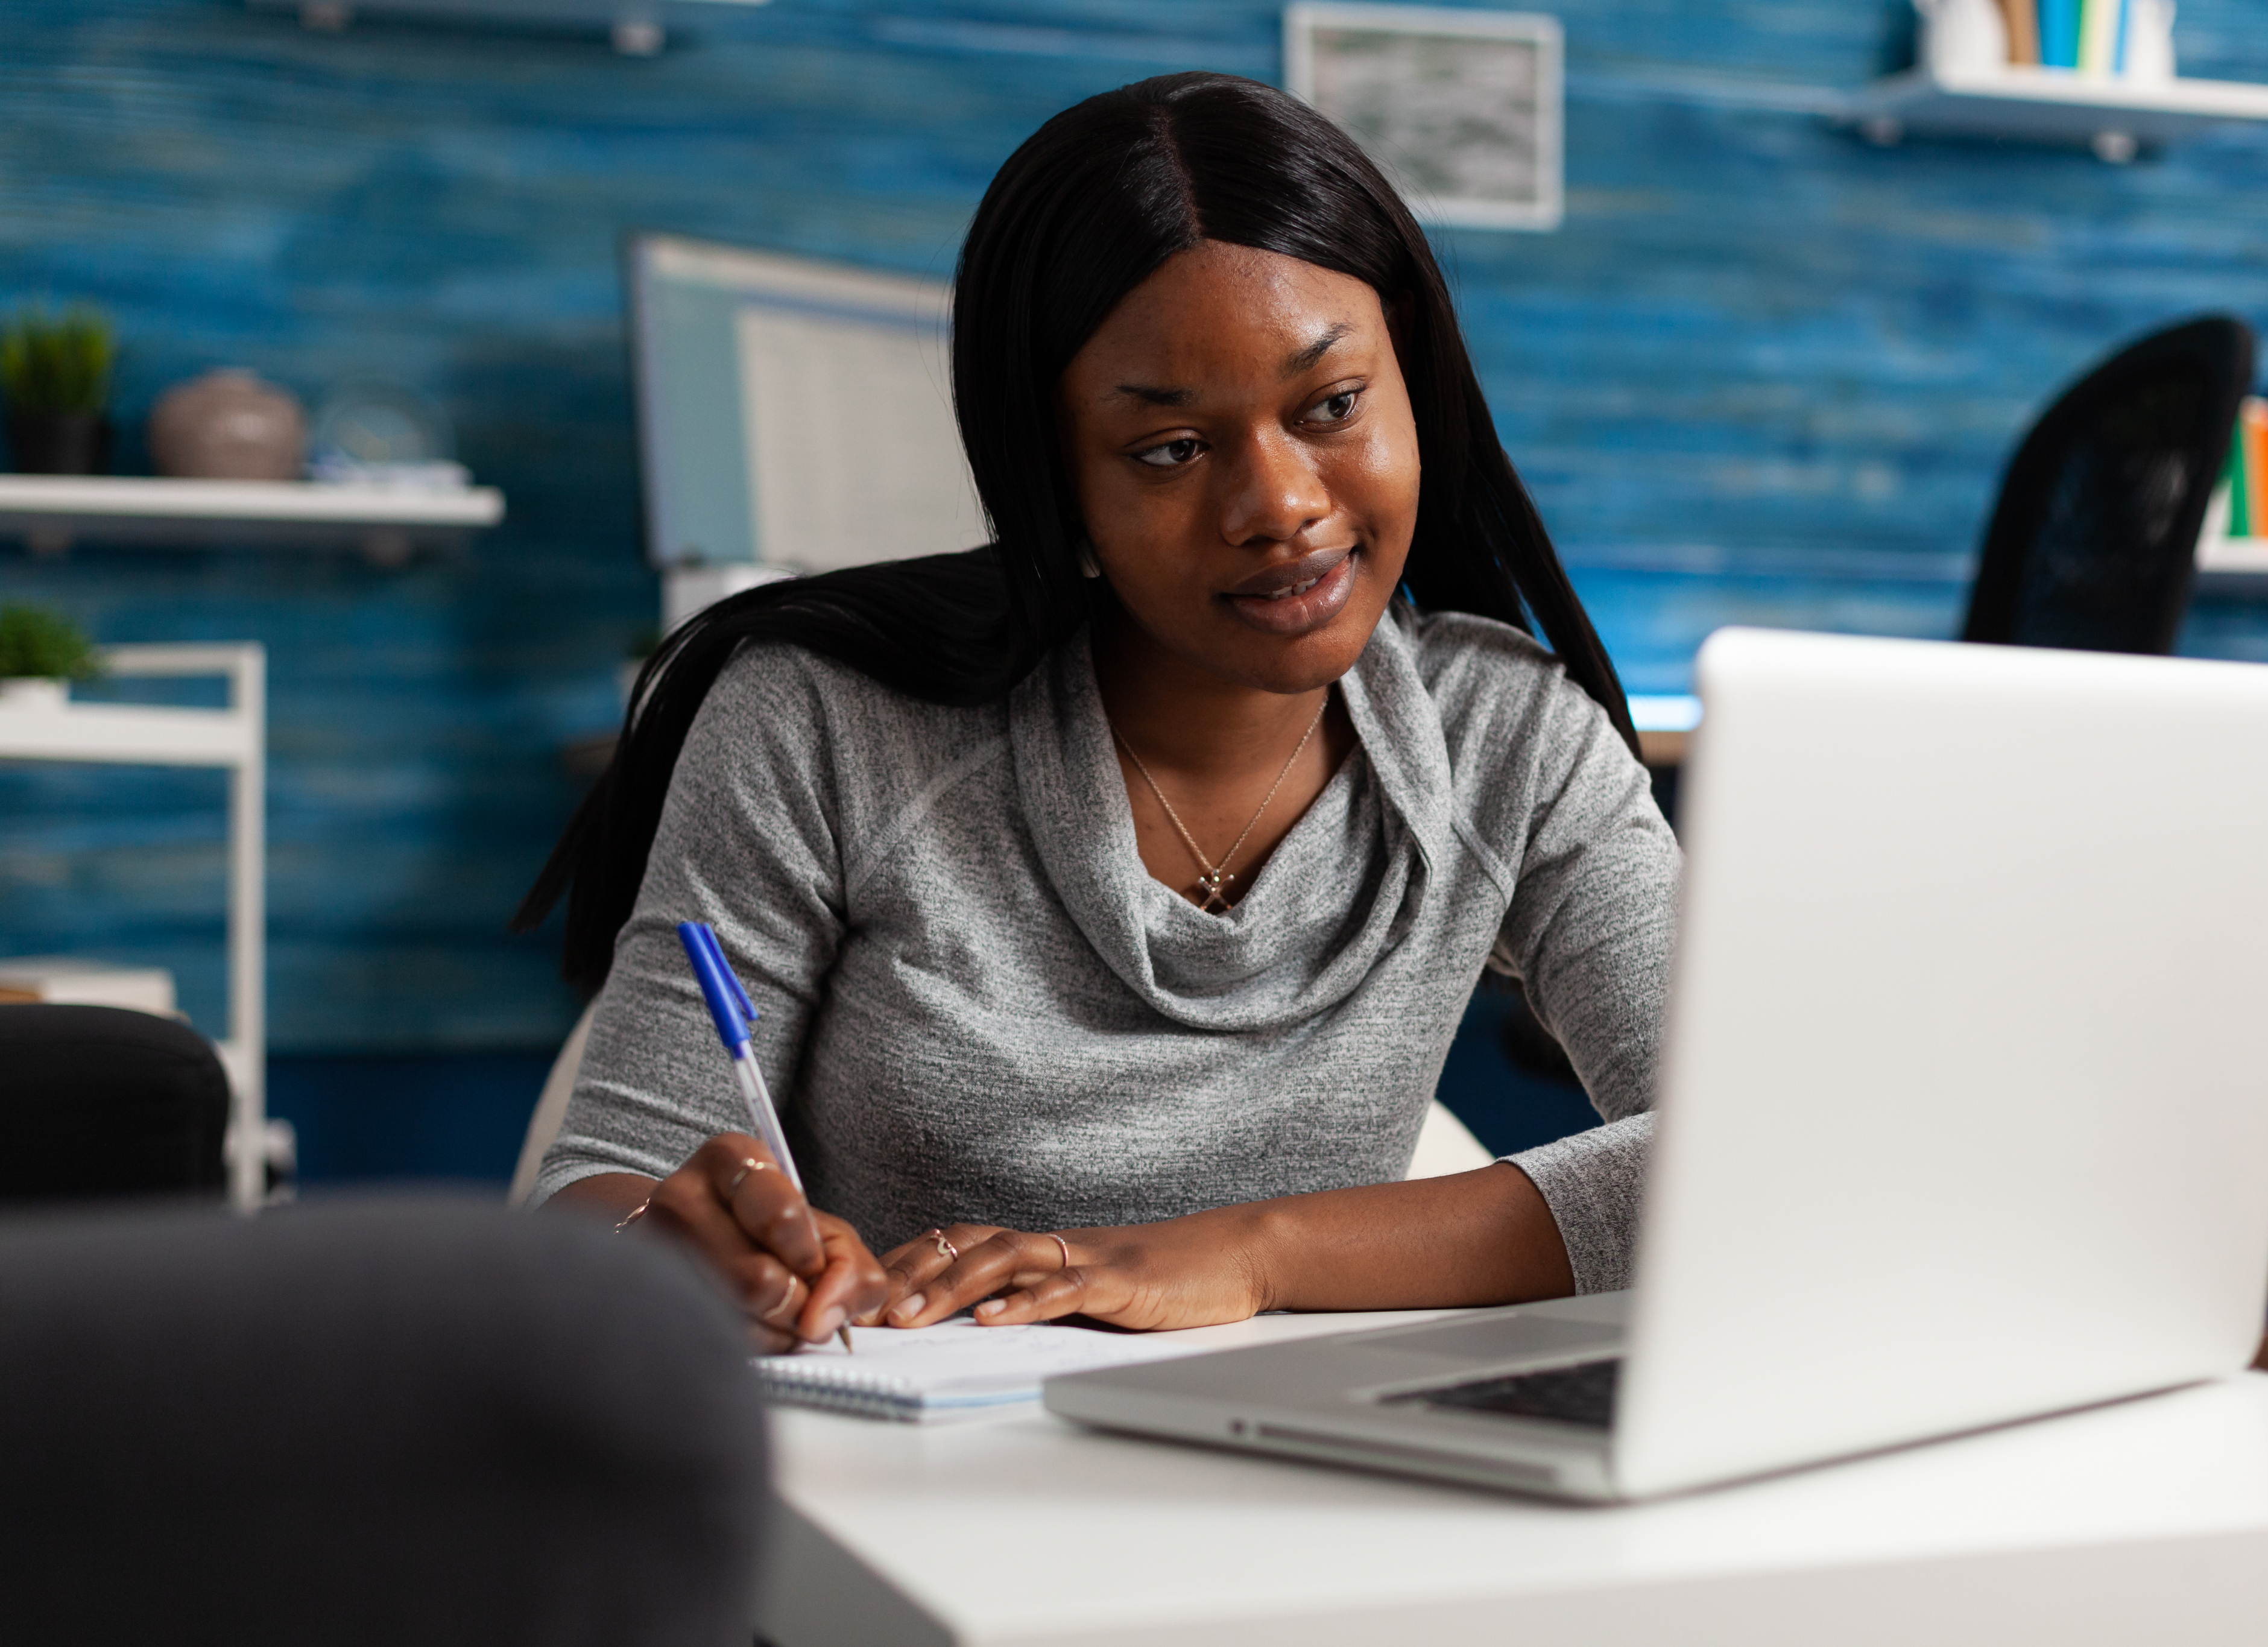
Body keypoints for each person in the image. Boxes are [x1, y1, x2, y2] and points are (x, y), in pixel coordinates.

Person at [517, 72, 1679, 1351]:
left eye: (1331, 406)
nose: (1279, 505)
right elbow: (595, 1191)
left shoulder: (1509, 739)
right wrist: (663, 1241)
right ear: (1055, 483)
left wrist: (1251, 1253)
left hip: (1303, 1446)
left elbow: (1757, 1151)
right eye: (1170, 449)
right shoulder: (821, 723)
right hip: (909, 1450)